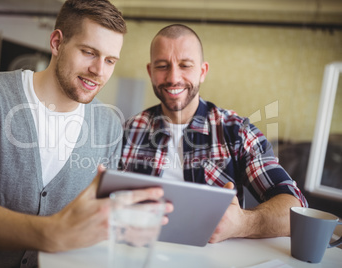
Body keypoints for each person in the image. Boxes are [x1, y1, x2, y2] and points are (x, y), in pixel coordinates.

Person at [0, 1, 169, 267]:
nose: (99, 70)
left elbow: (101, 215)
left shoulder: (109, 125)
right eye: (88, 52)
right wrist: (49, 233)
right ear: (57, 43)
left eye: (110, 60)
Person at [120, 24, 308, 244]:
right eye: (162, 66)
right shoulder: (129, 130)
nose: (173, 77)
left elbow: (296, 209)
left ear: (202, 72)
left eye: (185, 65)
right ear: (150, 72)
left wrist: (243, 223)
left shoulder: (237, 132)